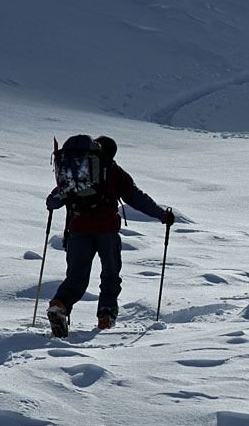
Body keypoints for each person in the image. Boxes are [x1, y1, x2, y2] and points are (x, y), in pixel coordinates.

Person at [46, 135, 174, 337]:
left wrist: (54, 203)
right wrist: (162, 215)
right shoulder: (113, 170)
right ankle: (105, 318)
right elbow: (136, 197)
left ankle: (59, 305)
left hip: (78, 228)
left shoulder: (79, 169)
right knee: (110, 275)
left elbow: (54, 200)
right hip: (107, 231)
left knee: (76, 277)